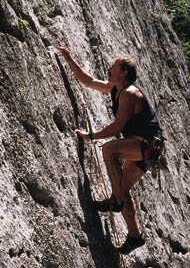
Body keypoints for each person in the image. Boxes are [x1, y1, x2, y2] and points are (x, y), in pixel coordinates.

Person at [56, 46, 162, 254]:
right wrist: (68, 58)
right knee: (123, 188)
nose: (108, 68)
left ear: (123, 72)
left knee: (109, 150)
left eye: (113, 66)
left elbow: (117, 127)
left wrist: (92, 135)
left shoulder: (130, 94)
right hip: (146, 147)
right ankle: (134, 236)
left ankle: (116, 200)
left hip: (147, 144)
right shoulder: (115, 88)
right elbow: (88, 82)